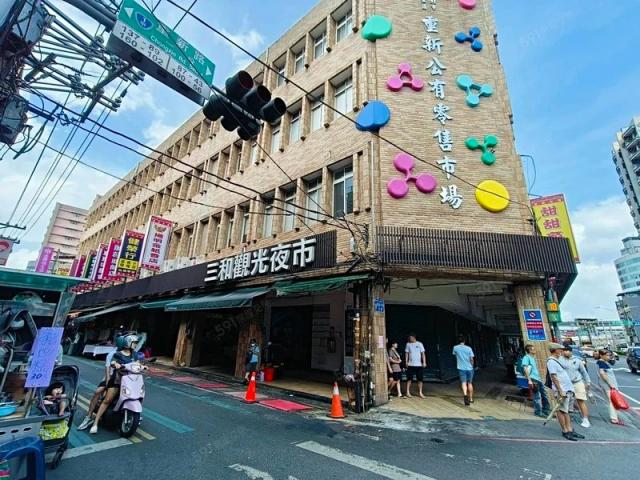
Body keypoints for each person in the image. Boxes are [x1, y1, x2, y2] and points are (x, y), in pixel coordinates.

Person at [90, 334, 139, 434]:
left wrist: (143, 366)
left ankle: (133, 413)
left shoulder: (134, 354)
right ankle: (95, 423)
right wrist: (115, 364)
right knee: (107, 400)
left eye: (136, 343)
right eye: (134, 343)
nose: (135, 345)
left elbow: (137, 363)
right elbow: (113, 362)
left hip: (130, 380)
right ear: (128, 343)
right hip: (117, 380)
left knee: (136, 396)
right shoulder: (118, 354)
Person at [547, 343, 584, 441]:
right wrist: (560, 390)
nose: (562, 351)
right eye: (560, 349)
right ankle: (565, 430)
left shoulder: (557, 360)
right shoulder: (551, 361)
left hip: (568, 389)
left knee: (567, 411)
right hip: (562, 390)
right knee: (561, 410)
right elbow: (554, 377)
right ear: (555, 350)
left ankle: (570, 429)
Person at [77, 347, 118, 431]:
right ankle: (89, 416)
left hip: (125, 380)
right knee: (98, 392)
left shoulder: (133, 354)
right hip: (111, 377)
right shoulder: (113, 354)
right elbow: (107, 368)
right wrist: (107, 381)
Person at [559, 345, 591, 428]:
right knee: (567, 401)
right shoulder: (559, 360)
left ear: (570, 351)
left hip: (577, 382)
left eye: (566, 350)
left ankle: (585, 419)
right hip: (566, 384)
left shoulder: (577, 360)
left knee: (581, 400)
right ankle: (569, 416)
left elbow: (583, 372)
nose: (565, 352)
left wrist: (588, 382)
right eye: (563, 350)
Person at [595, 349, 623, 425]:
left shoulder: (602, 362)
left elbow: (612, 362)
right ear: (601, 355)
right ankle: (614, 419)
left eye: (609, 355)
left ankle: (615, 417)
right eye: (607, 355)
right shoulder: (601, 363)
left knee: (611, 401)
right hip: (608, 386)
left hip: (606, 385)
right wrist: (611, 384)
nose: (608, 357)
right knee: (612, 401)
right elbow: (602, 373)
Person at [521, 344, 551, 418]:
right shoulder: (526, 357)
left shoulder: (533, 358)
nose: (534, 350)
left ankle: (546, 410)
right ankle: (538, 412)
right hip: (533, 379)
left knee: (544, 394)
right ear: (529, 350)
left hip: (538, 379)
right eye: (533, 349)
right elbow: (525, 369)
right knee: (537, 396)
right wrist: (529, 380)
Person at [452, 335, 475, 406]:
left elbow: (455, 355)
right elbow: (471, 359)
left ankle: (465, 396)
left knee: (463, 383)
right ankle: (471, 399)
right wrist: (472, 366)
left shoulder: (455, 348)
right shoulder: (469, 348)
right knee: (470, 383)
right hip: (469, 368)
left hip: (461, 368)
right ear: (464, 341)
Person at [404, 334, 426, 398]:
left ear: (414, 337)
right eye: (409, 338)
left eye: (411, 338)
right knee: (409, 379)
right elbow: (406, 353)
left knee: (420, 379)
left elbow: (423, 354)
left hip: (419, 365)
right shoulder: (408, 344)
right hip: (410, 364)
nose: (410, 339)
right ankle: (407, 392)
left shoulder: (419, 344)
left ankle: (420, 392)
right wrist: (406, 362)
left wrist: (424, 362)